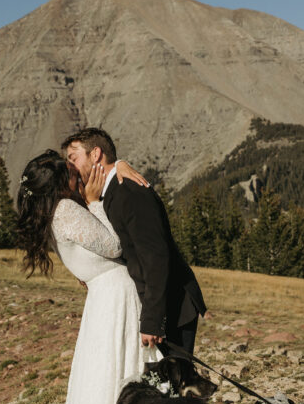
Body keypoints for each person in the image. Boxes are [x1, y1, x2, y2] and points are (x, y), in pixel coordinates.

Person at [16, 149, 159, 404]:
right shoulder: (67, 210)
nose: (79, 177)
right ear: (62, 181)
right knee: (119, 380)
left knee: (103, 384)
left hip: (103, 303)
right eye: (72, 173)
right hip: (115, 300)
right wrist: (95, 203)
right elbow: (112, 245)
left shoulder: (53, 215)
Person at [62, 128, 206, 355]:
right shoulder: (106, 192)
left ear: (95, 154)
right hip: (150, 306)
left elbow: (156, 257)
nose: (71, 166)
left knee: (175, 386)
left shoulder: (129, 191)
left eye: (74, 158)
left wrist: (152, 320)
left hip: (171, 308)